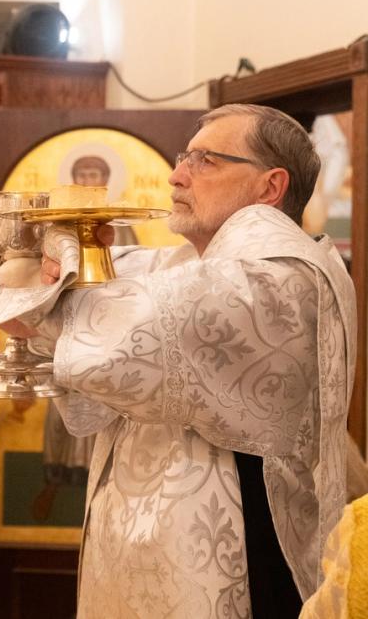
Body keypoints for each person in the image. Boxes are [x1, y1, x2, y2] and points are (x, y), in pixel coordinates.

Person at [27, 104, 357, 618]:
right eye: (185, 157)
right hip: (144, 545)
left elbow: (125, 331)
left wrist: (63, 284)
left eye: (205, 160)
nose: (177, 175)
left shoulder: (281, 273)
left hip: (245, 542)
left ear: (269, 187)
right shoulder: (192, 262)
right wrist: (64, 264)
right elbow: (54, 302)